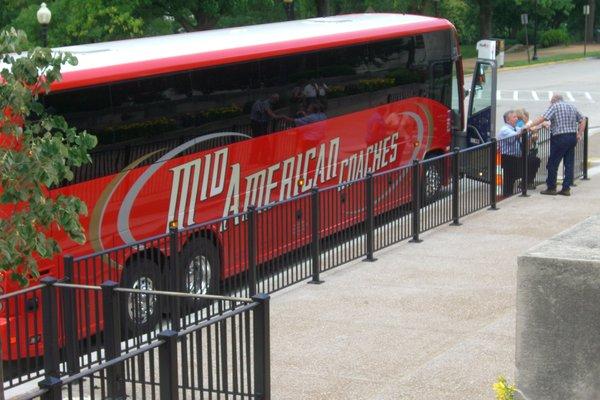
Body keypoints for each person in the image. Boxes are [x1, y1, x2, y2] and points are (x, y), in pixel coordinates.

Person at [528, 94, 586, 196]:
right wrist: (579, 133)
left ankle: (551, 187)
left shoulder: (554, 106)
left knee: (552, 163)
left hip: (560, 138)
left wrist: (529, 126)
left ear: (553, 101)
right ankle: (566, 188)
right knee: (568, 164)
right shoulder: (571, 106)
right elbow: (583, 120)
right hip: (572, 137)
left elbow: (543, 118)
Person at [497, 110, 541, 196]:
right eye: (514, 117)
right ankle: (507, 195)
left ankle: (525, 184)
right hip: (507, 157)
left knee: (534, 161)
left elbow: (523, 132)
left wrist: (534, 129)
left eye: (516, 117)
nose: (516, 119)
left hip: (517, 157)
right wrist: (527, 127)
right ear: (508, 120)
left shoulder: (515, 128)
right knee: (509, 178)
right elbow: (516, 135)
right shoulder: (505, 129)